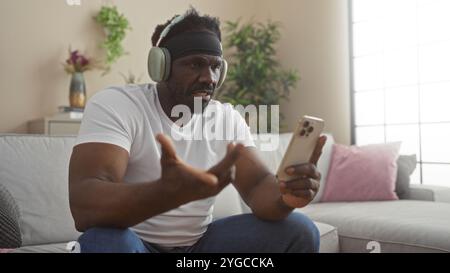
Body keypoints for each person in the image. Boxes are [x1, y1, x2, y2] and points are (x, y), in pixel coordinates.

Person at [69, 8, 327, 253]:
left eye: (215, 67)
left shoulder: (226, 117)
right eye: (195, 65)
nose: (210, 78)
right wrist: (165, 193)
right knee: (103, 243)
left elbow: (258, 186)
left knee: (299, 230)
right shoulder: (118, 105)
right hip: (134, 243)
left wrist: (287, 194)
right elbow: (85, 206)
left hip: (200, 247)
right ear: (161, 67)